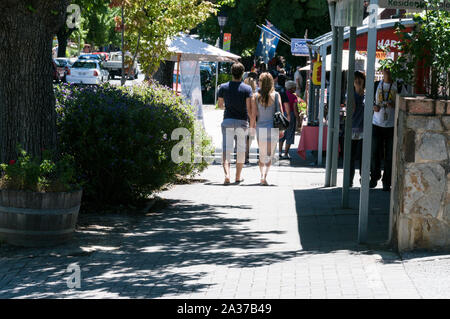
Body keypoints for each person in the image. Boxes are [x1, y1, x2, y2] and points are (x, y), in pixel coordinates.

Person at [218, 62, 253, 185]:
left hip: (227, 120)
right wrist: (252, 123)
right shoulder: (247, 89)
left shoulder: (223, 87)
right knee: (241, 151)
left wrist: (228, 107)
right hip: (242, 122)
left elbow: (220, 105)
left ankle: (227, 175)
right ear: (242, 74)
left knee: (226, 150)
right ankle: (238, 176)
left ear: (231, 72)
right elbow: (249, 109)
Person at [250, 72, 282, 186]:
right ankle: (265, 176)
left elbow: (253, 114)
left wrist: (251, 128)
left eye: (259, 80)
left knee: (262, 154)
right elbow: (280, 113)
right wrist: (282, 130)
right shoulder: (276, 95)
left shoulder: (256, 96)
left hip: (260, 128)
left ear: (261, 83)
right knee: (270, 155)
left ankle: (261, 175)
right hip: (273, 128)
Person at [370, 67, 396, 191]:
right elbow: (368, 101)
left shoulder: (398, 86)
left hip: (391, 125)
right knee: (374, 152)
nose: (386, 72)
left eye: (389, 71)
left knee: (389, 155)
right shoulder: (376, 85)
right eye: (385, 70)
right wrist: (373, 107)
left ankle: (387, 182)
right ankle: (374, 178)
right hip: (376, 123)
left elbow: (404, 103)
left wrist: (394, 105)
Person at [349, 71, 366, 187]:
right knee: (351, 156)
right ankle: (349, 179)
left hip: (365, 129)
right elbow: (352, 109)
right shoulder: (351, 95)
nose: (358, 82)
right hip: (353, 128)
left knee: (363, 156)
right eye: (355, 80)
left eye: (360, 80)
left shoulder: (367, 95)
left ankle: (363, 178)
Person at [279, 81, 300, 159]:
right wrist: (298, 119)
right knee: (290, 134)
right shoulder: (293, 97)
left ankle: (280, 152)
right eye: (294, 87)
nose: (295, 89)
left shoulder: (282, 95)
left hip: (282, 115)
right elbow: (295, 110)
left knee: (282, 134)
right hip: (290, 115)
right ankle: (286, 153)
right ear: (291, 88)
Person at [243, 75, 258, 164]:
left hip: (242, 116)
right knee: (249, 139)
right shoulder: (254, 95)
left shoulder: (241, 93)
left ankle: (243, 156)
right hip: (251, 117)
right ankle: (245, 156)